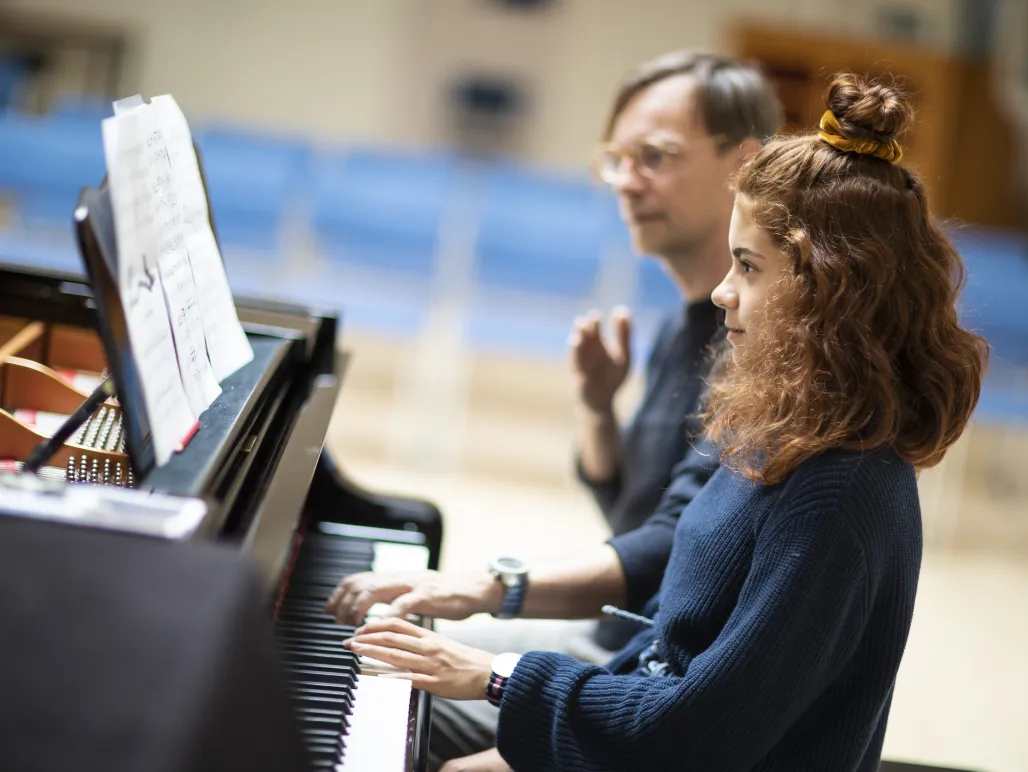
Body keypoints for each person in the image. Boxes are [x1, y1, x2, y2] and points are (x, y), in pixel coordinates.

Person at [329, 73, 988, 772]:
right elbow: (666, 626)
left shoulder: (839, 491)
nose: (721, 291)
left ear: (830, 289)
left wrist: (500, 676)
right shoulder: (783, 425)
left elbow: (699, 733)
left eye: (748, 266)